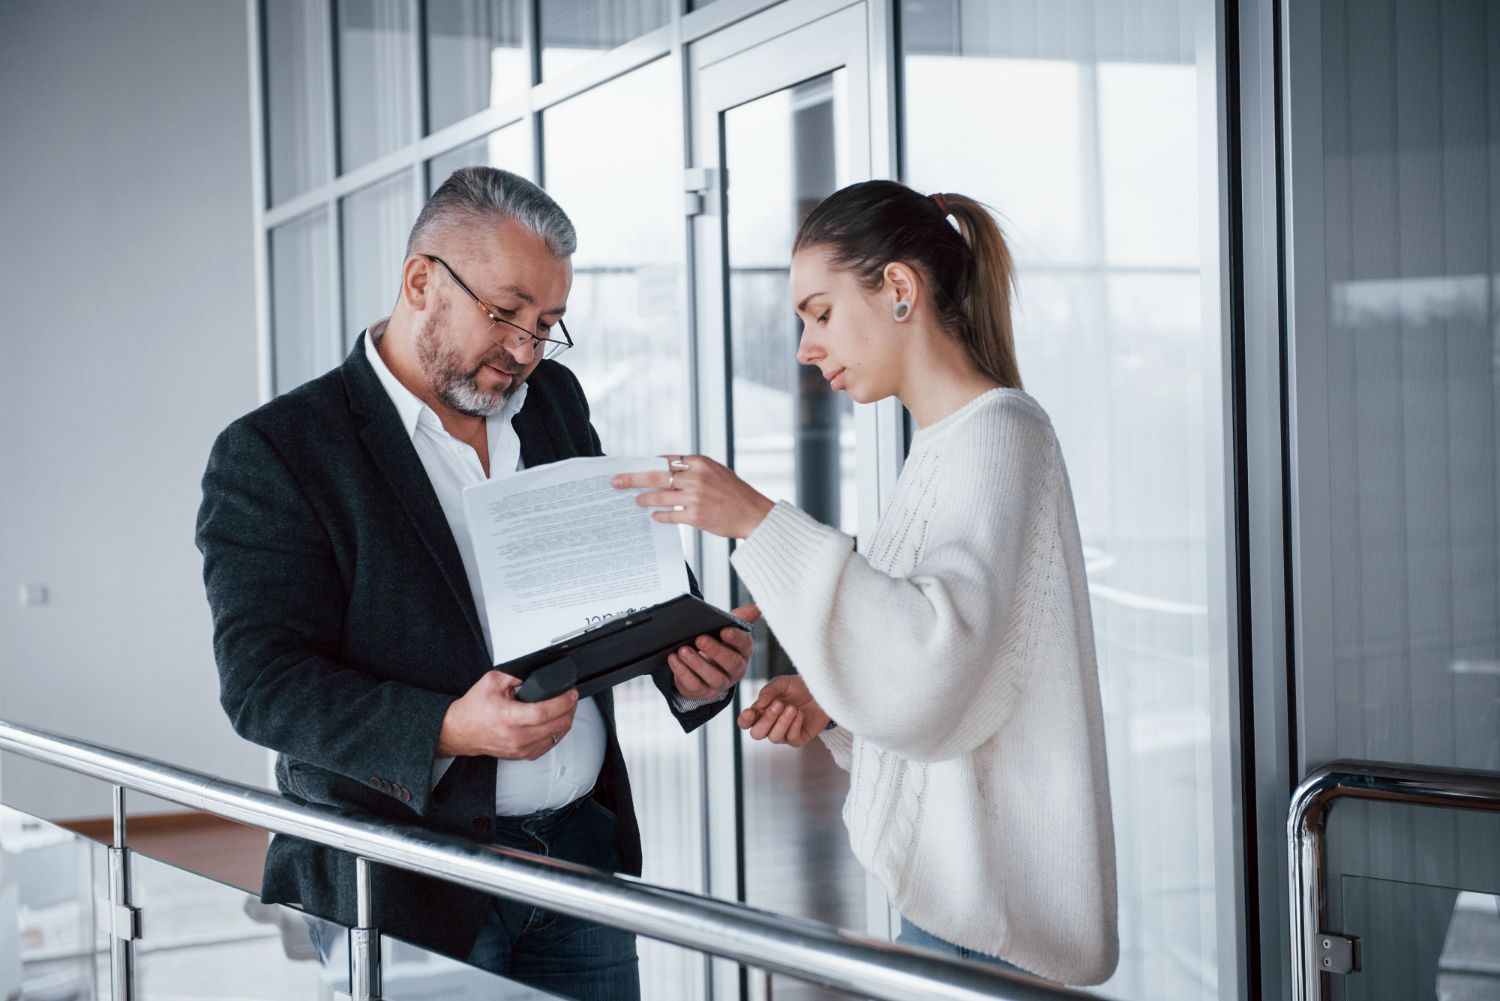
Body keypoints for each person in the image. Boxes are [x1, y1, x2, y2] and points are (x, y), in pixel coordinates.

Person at [196, 166, 753, 1000]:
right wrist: (451, 727)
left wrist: (688, 663)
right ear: (421, 280)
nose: (525, 350)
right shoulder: (278, 451)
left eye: (548, 324)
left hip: (579, 858)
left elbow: (607, 571)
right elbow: (263, 687)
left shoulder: (552, 399)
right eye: (505, 314)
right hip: (406, 880)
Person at [613, 180, 1118, 985]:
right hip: (962, 913)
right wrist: (829, 695)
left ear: (899, 289)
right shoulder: (949, 445)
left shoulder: (1001, 438)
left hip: (989, 929)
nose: (808, 346)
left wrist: (755, 519)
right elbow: (953, 657)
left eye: (819, 311)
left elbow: (934, 661)